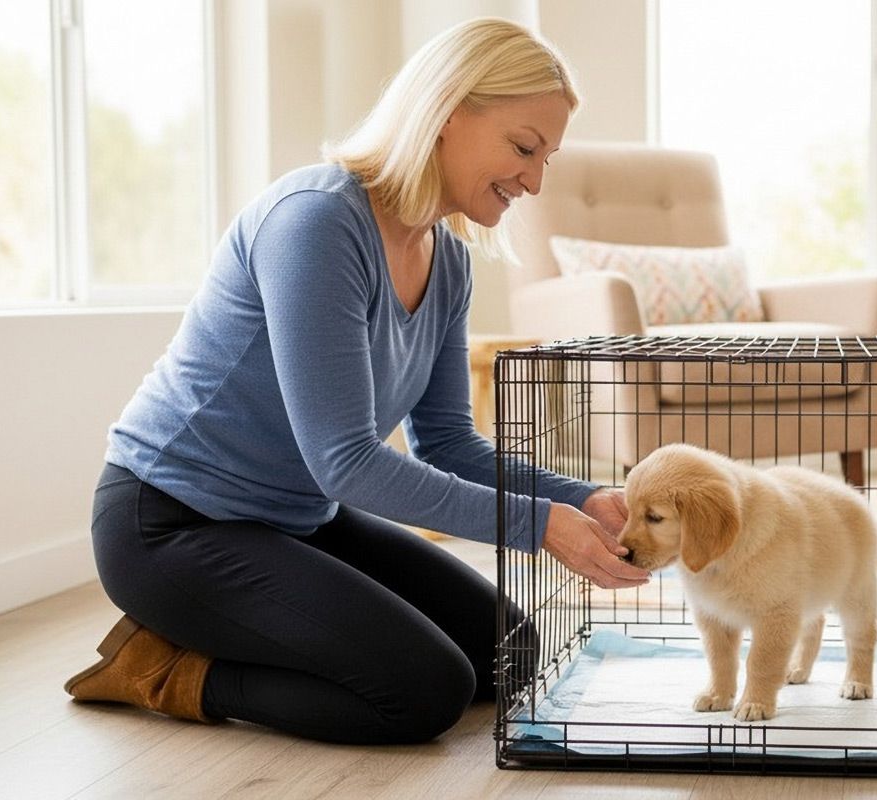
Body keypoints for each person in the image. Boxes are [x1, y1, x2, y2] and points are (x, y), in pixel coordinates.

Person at [63, 17, 650, 746]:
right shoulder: (316, 223)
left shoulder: (451, 262)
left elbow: (448, 444)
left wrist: (581, 498)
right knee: (423, 691)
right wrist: (536, 527)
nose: (533, 179)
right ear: (445, 112)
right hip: (172, 522)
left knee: (512, 655)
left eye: (546, 158)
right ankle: (166, 669)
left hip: (295, 519)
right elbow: (343, 461)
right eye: (524, 147)